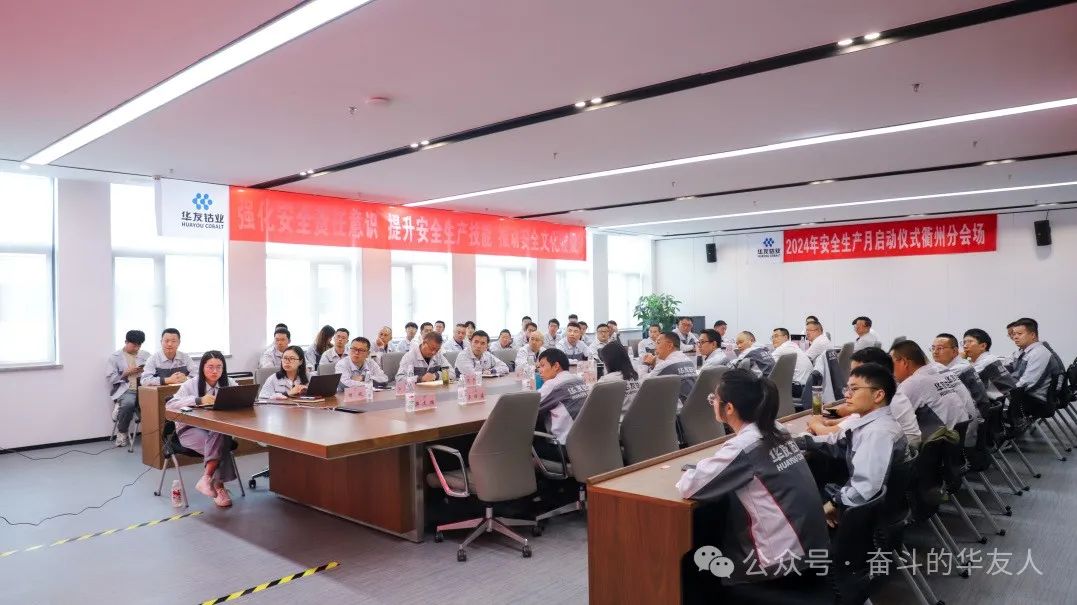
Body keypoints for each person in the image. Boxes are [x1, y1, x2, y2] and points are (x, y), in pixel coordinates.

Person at [677, 370, 829, 587]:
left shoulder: (744, 446)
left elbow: (689, 487)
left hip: (780, 566)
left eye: (714, 399)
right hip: (812, 550)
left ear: (729, 408)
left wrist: (699, 468)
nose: (712, 403)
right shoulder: (777, 429)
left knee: (701, 564)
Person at [796, 363, 908, 529]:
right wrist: (801, 441)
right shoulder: (872, 423)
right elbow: (839, 443)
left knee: (799, 493)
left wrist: (833, 504)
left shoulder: (877, 433)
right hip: (874, 505)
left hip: (865, 515)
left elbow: (864, 488)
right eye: (847, 389)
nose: (847, 394)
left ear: (878, 395)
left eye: (854, 389)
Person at [165, 351, 239, 507]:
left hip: (217, 430)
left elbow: (243, 399)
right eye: (210, 367)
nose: (215, 371)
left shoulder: (229, 383)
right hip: (190, 429)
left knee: (219, 432)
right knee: (221, 446)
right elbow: (170, 404)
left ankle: (206, 479)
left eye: (219, 367)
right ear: (202, 367)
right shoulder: (191, 384)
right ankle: (218, 487)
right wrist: (198, 400)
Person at [890, 340, 976, 448]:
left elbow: (893, 423)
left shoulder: (910, 385)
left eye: (891, 364)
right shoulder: (939, 369)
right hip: (961, 442)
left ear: (904, 362)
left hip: (941, 449)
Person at [808, 347, 895, 436]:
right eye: (852, 372)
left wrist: (815, 424)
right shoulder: (872, 413)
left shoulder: (877, 431)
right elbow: (853, 420)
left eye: (855, 389)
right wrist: (828, 423)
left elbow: (830, 433)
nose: (846, 394)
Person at [534, 349, 590, 458]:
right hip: (588, 442)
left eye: (542, 365)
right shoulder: (579, 380)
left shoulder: (553, 385)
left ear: (556, 366)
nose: (540, 371)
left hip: (565, 448)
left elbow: (527, 408)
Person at [106, 330, 150, 447]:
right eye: (134, 345)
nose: (137, 348)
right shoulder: (114, 357)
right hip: (126, 389)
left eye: (139, 346)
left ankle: (156, 435)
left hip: (144, 388)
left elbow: (153, 371)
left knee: (156, 403)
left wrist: (144, 370)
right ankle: (122, 433)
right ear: (126, 342)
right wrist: (125, 373)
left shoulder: (146, 355)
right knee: (129, 404)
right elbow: (111, 378)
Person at [1005, 318, 1063, 405]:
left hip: (1034, 400)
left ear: (1032, 335)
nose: (1014, 337)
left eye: (1019, 334)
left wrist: (1003, 391)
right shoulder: (1026, 351)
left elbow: (1027, 383)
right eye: (1013, 334)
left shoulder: (1039, 353)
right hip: (1025, 396)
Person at [930, 333, 991, 413]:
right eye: (933, 348)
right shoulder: (959, 365)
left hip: (974, 415)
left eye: (940, 348)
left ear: (954, 351)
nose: (935, 352)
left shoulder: (959, 369)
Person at [643, 331, 697, 405]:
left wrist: (645, 364)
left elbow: (642, 383)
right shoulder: (689, 361)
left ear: (669, 345)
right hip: (693, 405)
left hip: (677, 408)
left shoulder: (665, 365)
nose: (655, 347)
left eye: (658, 343)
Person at [962, 328, 1017, 400]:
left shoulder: (987, 362)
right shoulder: (986, 359)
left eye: (970, 342)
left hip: (1004, 403)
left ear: (983, 346)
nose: (965, 346)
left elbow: (962, 382)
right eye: (964, 342)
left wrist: (961, 360)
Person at [597, 341, 641, 421]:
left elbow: (592, 404)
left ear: (609, 361)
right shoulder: (635, 375)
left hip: (616, 422)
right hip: (637, 420)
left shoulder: (606, 381)